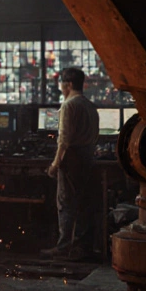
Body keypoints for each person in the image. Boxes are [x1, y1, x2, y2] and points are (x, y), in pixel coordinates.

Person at [41, 67, 100, 261]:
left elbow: (64, 140)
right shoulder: (90, 106)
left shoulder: (68, 105)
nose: (60, 89)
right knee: (83, 204)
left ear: (68, 85)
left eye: (61, 85)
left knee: (65, 204)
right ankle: (82, 249)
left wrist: (55, 164)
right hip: (88, 158)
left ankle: (64, 247)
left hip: (72, 160)